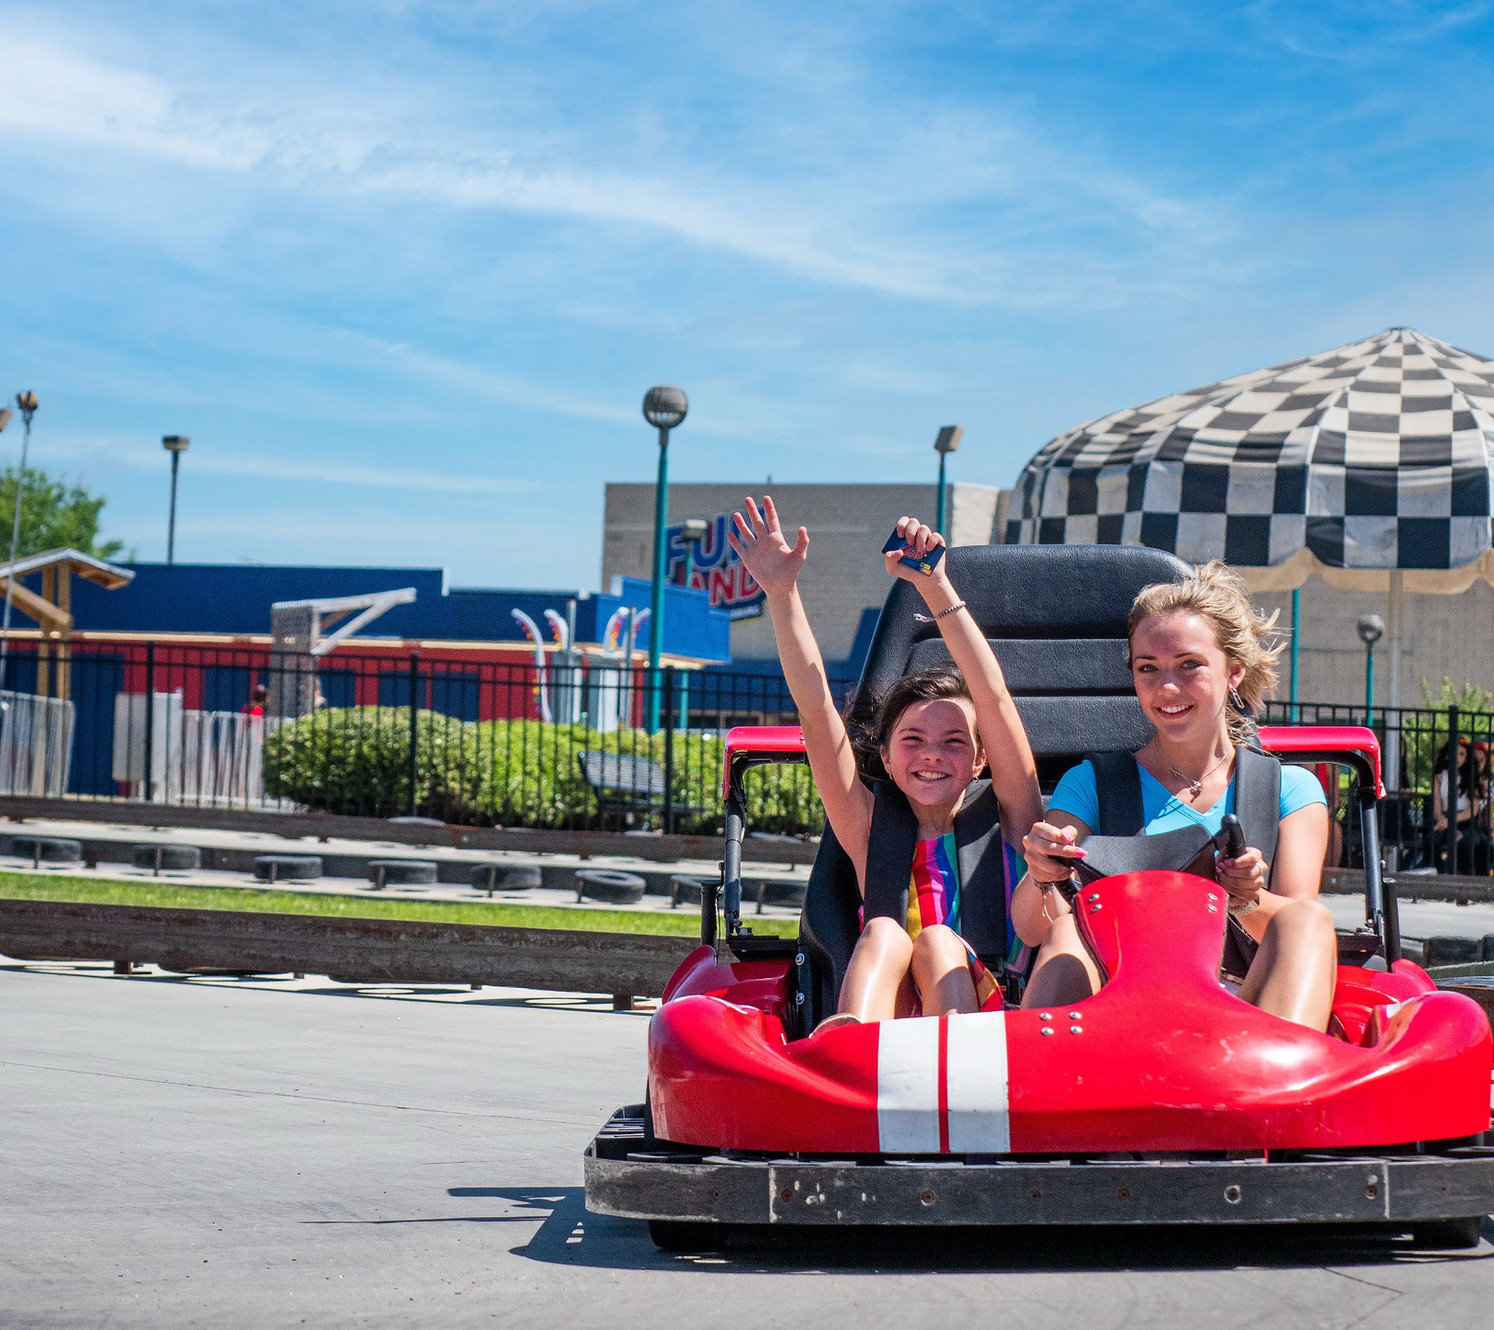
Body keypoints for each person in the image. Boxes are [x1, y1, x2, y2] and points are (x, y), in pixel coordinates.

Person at [728, 498, 1044, 1028]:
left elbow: (993, 700)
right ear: (887, 759)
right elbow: (816, 709)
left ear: (981, 758)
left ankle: (948, 1077)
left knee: (939, 942)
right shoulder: (870, 829)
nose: (931, 755)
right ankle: (847, 1056)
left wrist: (934, 586)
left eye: (953, 742)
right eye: (913, 739)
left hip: (993, 1022)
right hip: (892, 1024)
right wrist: (781, 594)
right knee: (883, 932)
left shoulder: (1014, 817)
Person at [1019, 561, 1337, 1031]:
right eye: (1148, 668)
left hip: (1240, 1011)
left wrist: (1246, 899)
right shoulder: (1092, 783)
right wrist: (1043, 873)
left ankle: (1272, 1089)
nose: (1168, 687)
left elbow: (1295, 932)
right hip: (1118, 1005)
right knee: (1068, 926)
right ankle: (1038, 1081)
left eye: (1190, 665)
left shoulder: (1289, 789)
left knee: (1307, 919)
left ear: (1233, 672)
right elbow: (1030, 927)